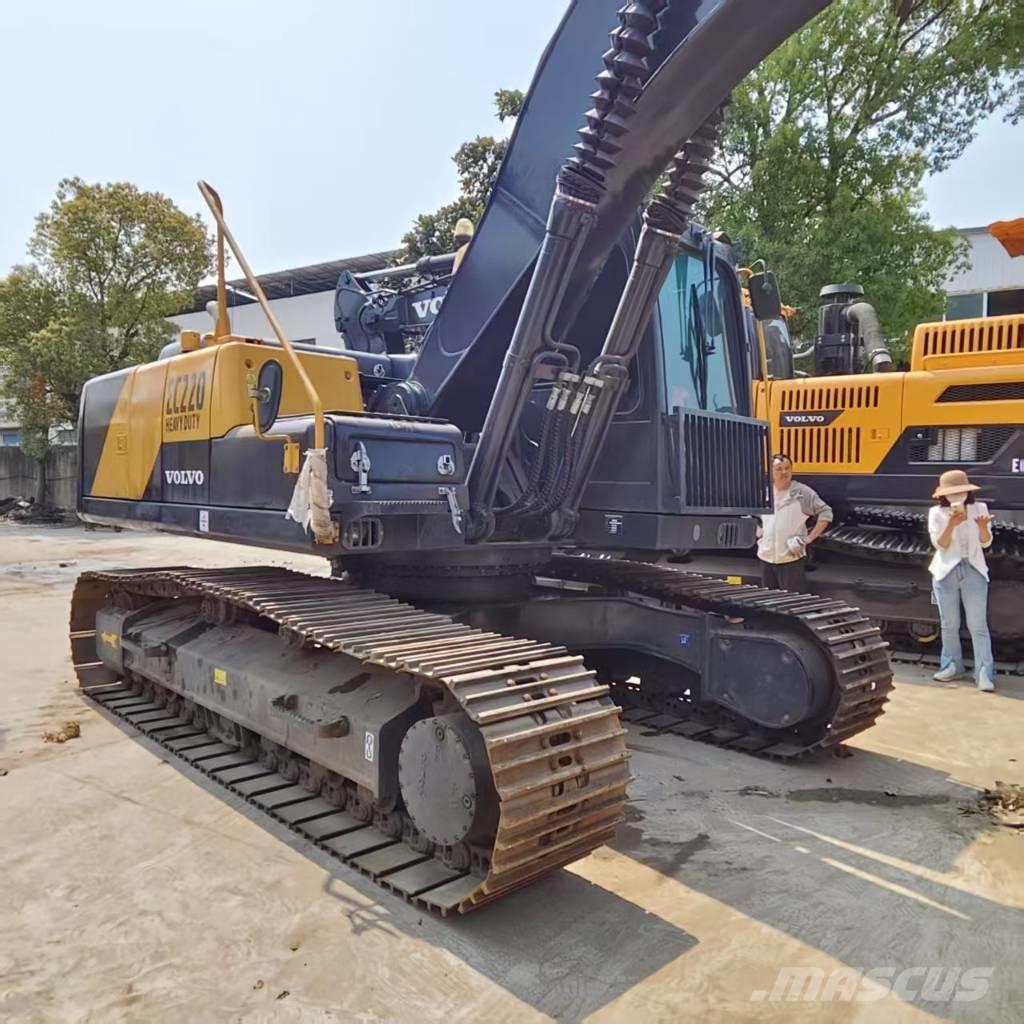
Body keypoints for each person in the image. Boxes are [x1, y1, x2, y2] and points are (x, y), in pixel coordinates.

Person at [927, 469, 996, 692]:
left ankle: (984, 672)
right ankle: (951, 665)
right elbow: (940, 545)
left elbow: (986, 543)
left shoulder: (980, 508)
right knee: (949, 624)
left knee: (978, 625)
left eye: (960, 492)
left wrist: (983, 528)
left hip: (974, 568)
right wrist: (951, 524)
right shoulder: (936, 513)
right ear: (943, 495)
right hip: (945, 571)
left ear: (968, 492)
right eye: (951, 493)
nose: (956, 497)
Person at [757, 453, 833, 591]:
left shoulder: (802, 493)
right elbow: (751, 515)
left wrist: (809, 539)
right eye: (779, 469)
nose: (784, 472)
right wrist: (756, 529)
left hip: (790, 560)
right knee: (768, 601)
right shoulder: (764, 493)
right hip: (766, 558)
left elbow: (826, 513)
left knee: (791, 601)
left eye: (787, 468)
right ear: (770, 471)